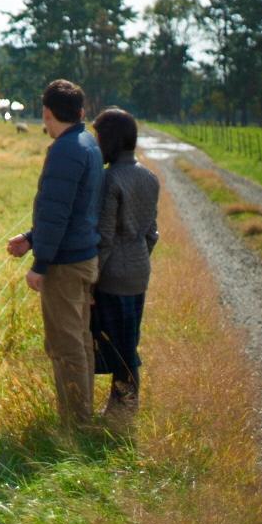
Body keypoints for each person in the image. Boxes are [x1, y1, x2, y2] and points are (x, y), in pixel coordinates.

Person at [6, 79, 104, 427]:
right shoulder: (88, 143)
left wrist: (41, 263)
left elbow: (56, 211)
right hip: (84, 255)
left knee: (65, 345)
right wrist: (33, 238)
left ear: (47, 113)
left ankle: (75, 423)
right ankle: (82, 413)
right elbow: (73, 207)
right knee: (79, 338)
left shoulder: (64, 150)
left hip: (65, 263)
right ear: (80, 111)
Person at [88, 107, 159, 420]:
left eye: (99, 137)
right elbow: (152, 234)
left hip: (113, 275)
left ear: (111, 141)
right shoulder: (149, 177)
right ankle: (123, 407)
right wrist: (138, 258)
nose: (96, 144)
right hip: (139, 271)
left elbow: (103, 237)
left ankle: (122, 411)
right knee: (129, 340)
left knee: (116, 346)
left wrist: (91, 279)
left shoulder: (110, 179)